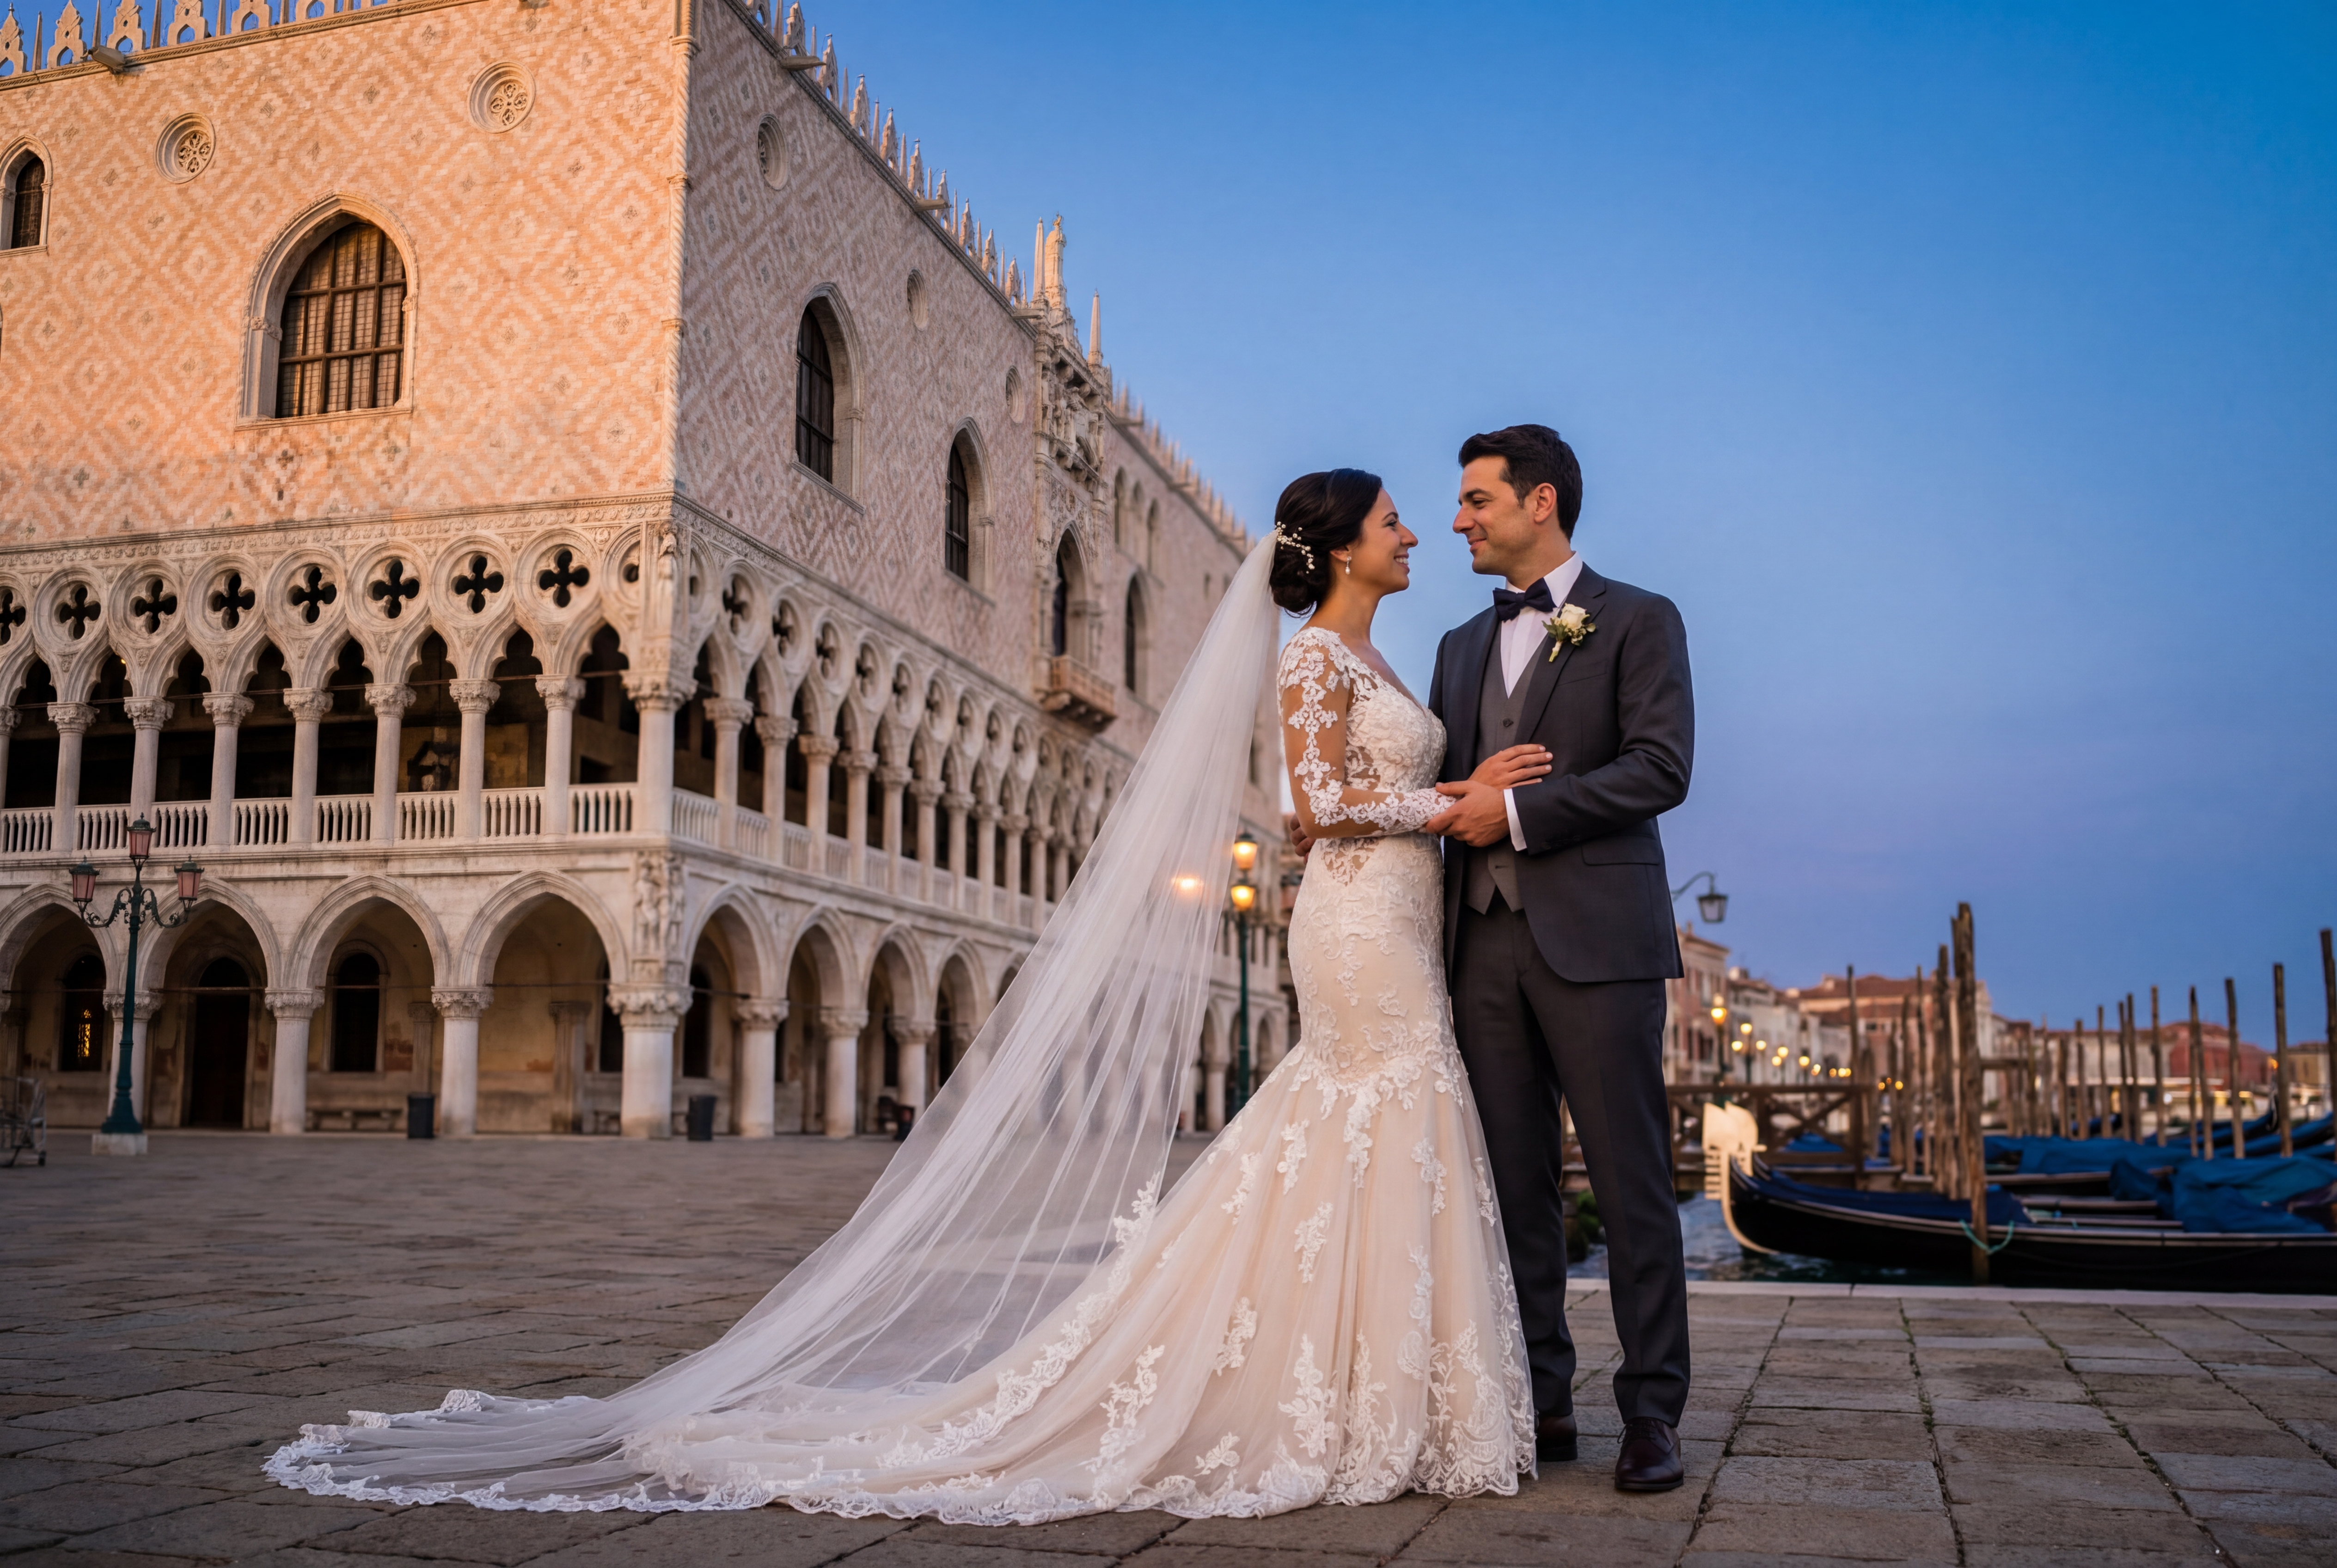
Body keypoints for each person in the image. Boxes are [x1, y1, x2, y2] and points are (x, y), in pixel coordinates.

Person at [265, 470, 1548, 1520]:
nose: (1413, 531)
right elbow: (1310, 810)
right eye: (1389, 519)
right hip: (1358, 923)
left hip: (1394, 920)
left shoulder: (1378, 665)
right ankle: (1325, 1389)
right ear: (1332, 552)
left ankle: (1377, 1389)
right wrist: (1457, 802)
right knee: (1360, 1109)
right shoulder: (1315, 664)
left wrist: (1452, 793)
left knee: (1368, 1123)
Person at [1425, 424, 1696, 1492]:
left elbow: (1660, 768)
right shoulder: (1453, 646)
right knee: (1510, 1188)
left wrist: (1521, 813)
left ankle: (1651, 1413)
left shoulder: (1640, 617)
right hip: (1478, 945)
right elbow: (1450, 790)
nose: (1458, 519)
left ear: (1540, 503)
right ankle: (1539, 1401)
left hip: (1600, 942)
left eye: (1475, 500)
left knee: (1631, 1182)